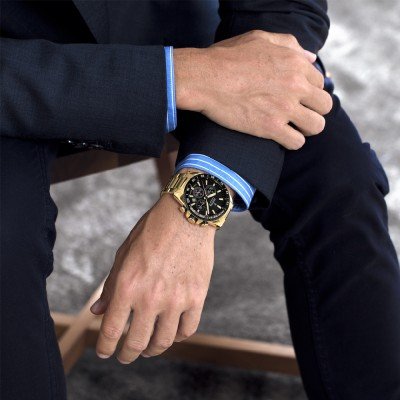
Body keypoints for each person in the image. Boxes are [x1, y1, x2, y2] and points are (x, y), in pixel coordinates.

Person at [1, 1, 399, 400]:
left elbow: (285, 8)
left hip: (161, 23)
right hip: (12, 69)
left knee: (340, 179)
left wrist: (196, 203)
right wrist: (179, 77)